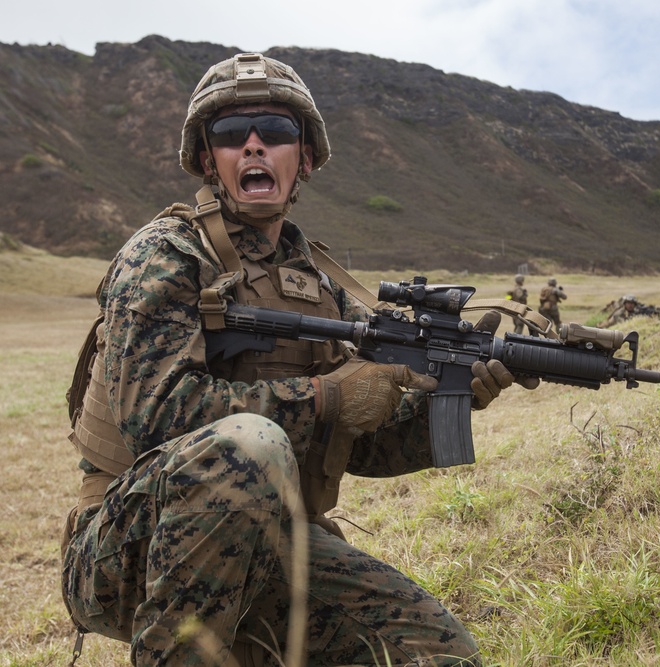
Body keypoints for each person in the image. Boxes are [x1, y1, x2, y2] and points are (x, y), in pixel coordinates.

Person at [60, 53, 529, 667]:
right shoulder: (164, 255)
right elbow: (154, 414)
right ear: (209, 159)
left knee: (434, 651)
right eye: (232, 134)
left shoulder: (317, 282)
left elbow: (362, 447)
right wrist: (329, 396)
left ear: (303, 158)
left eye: (276, 132)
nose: (254, 146)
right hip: (127, 551)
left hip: (268, 542)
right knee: (247, 444)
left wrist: (459, 395)